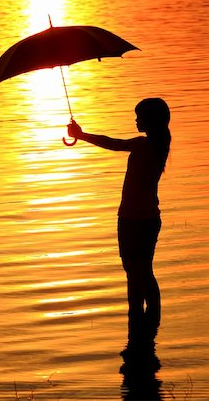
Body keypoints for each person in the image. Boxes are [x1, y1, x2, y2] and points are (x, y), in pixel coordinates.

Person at [67, 98, 171, 347]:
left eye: (139, 116)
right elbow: (118, 145)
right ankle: (144, 328)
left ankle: (140, 332)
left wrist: (82, 135)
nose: (136, 120)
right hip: (135, 218)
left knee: (138, 274)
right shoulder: (154, 144)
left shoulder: (147, 147)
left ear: (151, 120)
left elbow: (114, 144)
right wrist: (81, 135)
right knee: (139, 272)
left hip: (137, 221)